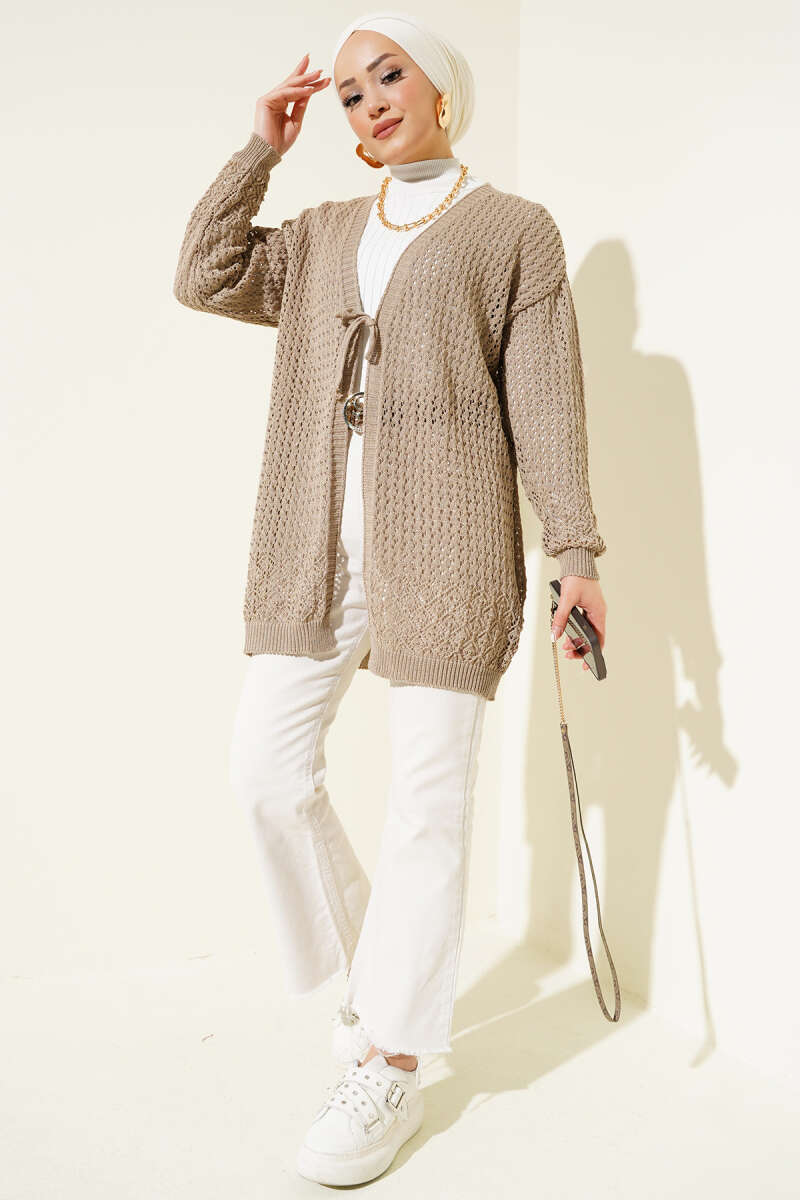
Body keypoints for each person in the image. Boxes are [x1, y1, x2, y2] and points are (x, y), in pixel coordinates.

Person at [173, 9, 607, 1187]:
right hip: (312, 549)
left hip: (449, 551)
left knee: (426, 808)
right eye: (350, 92)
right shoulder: (319, 233)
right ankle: (378, 984)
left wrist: (574, 552)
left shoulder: (511, 231)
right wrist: (259, 149)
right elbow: (202, 274)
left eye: (387, 75)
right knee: (264, 772)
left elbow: (545, 401)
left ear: (439, 88)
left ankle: (393, 1062)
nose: (368, 101)